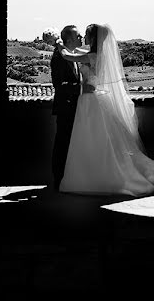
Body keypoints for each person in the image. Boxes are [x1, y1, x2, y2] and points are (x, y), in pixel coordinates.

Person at [53, 23, 154, 196]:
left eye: (87, 34)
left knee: (95, 139)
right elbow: (75, 53)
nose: (84, 37)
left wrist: (58, 43)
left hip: (91, 101)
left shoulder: (93, 56)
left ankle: (95, 177)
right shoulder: (93, 54)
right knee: (91, 139)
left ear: (94, 38)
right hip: (90, 100)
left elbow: (68, 56)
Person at [50, 25, 83, 190]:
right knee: (62, 143)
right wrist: (81, 88)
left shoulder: (73, 55)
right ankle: (59, 179)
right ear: (69, 39)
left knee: (71, 144)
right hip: (65, 107)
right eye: (78, 35)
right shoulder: (58, 57)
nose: (81, 37)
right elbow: (59, 85)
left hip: (75, 107)